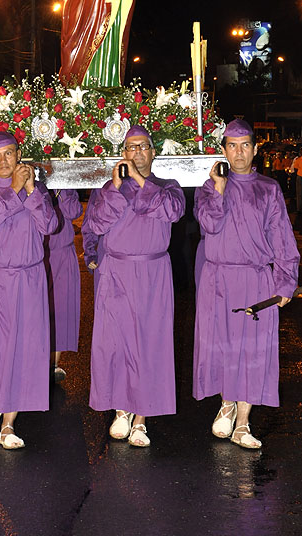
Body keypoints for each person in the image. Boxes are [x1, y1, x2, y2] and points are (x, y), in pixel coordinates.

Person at [193, 119, 300, 449]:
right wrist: (219, 189)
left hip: (256, 279)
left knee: (253, 350)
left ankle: (242, 423)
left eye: (244, 146)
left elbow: (282, 238)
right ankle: (226, 404)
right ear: (224, 151)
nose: (238, 152)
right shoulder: (208, 188)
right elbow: (209, 224)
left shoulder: (269, 189)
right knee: (222, 345)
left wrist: (285, 282)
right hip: (218, 279)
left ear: (255, 150)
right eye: (232, 146)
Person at [85, 125, 185, 447]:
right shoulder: (108, 188)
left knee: (149, 343)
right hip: (116, 272)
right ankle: (121, 409)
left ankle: (141, 417)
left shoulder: (168, 187)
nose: (137, 152)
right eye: (131, 147)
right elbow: (95, 224)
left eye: (143, 147)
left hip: (153, 274)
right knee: (115, 343)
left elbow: (172, 211)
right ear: (122, 154)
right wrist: (116, 187)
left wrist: (140, 181)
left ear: (153, 153)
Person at [0, 130, 58, 449]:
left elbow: (50, 225)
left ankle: (8, 423)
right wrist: (16, 189)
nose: (3, 160)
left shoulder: (36, 187)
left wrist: (30, 189)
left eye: (9, 153)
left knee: (22, 347)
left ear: (19, 154)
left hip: (27, 277)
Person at [45, 189, 83, 380]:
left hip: (63, 252)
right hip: (36, 254)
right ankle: (35, 360)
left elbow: (74, 211)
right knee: (36, 310)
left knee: (60, 309)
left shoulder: (65, 188)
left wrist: (62, 189)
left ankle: (53, 363)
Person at [290, 146, 302, 213]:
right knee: (299, 193)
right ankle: (299, 209)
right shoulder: (298, 160)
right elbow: (295, 168)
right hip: (300, 177)